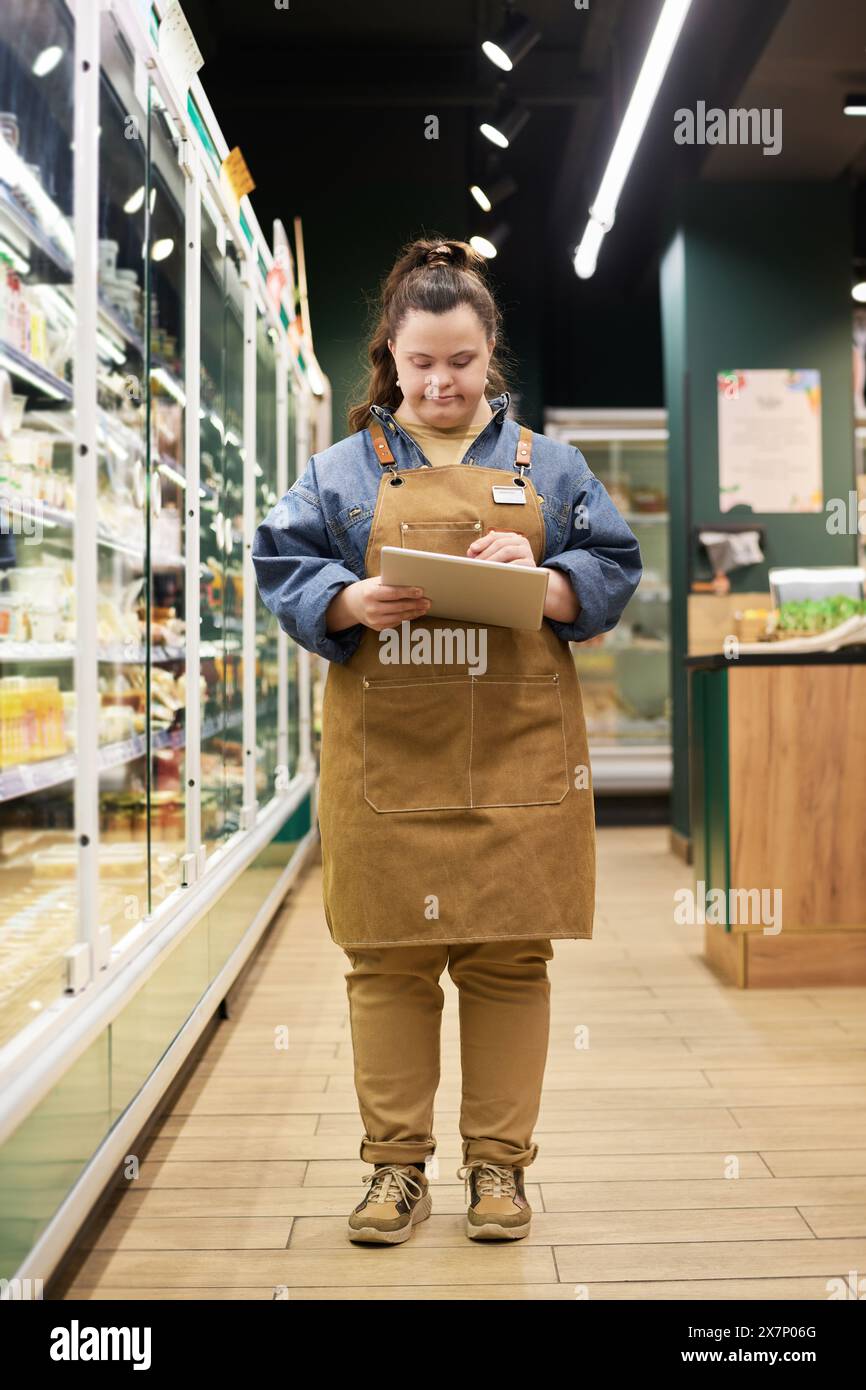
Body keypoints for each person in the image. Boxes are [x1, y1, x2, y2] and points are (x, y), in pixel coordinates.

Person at [252, 236, 642, 1246]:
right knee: (386, 962)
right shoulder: (338, 471)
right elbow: (281, 563)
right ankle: (393, 1169)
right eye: (420, 362)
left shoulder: (548, 467)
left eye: (460, 362)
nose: (440, 382)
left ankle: (497, 1168)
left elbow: (611, 564)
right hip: (390, 762)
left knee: (510, 961)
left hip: (517, 759)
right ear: (390, 351)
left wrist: (546, 575)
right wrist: (344, 600)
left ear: (489, 352)